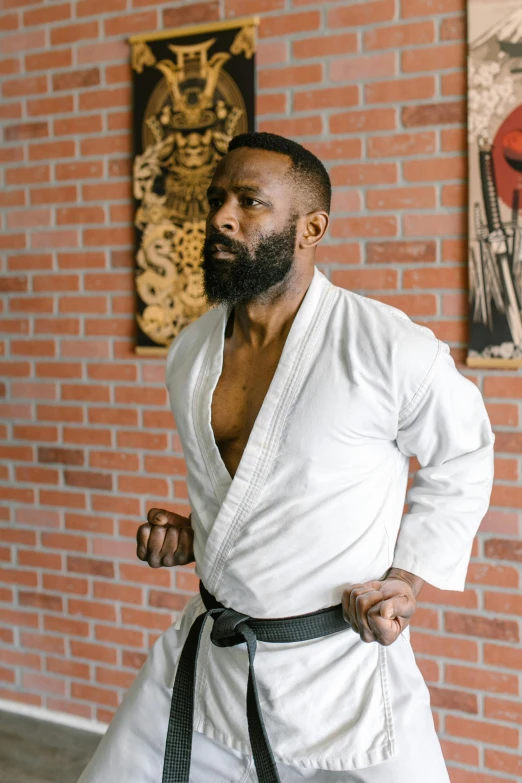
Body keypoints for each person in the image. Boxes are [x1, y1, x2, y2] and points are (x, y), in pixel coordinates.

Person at [78, 132, 494, 783]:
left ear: (311, 227)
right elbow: (259, 491)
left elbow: (464, 455)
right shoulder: (190, 353)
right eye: (217, 198)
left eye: (249, 201)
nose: (220, 215)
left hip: (341, 678)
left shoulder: (384, 347)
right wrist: (199, 534)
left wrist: (406, 578)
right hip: (214, 664)